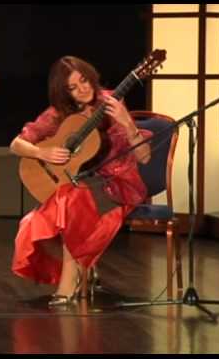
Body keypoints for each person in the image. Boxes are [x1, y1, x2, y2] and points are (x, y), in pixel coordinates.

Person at [10, 56, 152, 306]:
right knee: (34, 223)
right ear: (64, 93)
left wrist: (126, 122)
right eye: (72, 88)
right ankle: (84, 265)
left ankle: (69, 282)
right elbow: (16, 144)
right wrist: (41, 153)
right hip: (77, 185)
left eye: (84, 81)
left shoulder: (112, 102)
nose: (82, 90)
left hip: (115, 185)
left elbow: (145, 156)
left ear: (91, 76)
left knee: (71, 201)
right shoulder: (60, 114)